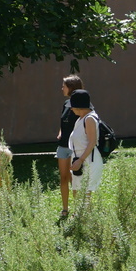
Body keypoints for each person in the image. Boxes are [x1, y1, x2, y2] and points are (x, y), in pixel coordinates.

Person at [56, 74, 84, 218]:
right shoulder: (66, 104)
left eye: (64, 86)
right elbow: (63, 122)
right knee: (64, 177)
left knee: (75, 179)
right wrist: (60, 132)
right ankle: (65, 209)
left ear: (71, 88)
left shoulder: (83, 105)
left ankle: (78, 210)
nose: (62, 88)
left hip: (75, 148)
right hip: (63, 146)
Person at [68, 89, 103, 200]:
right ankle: (79, 216)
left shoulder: (89, 119)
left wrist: (80, 160)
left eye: (72, 106)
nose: (71, 108)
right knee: (77, 192)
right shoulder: (80, 119)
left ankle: (86, 217)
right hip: (80, 160)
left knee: (85, 195)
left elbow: (92, 142)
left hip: (88, 161)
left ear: (79, 106)